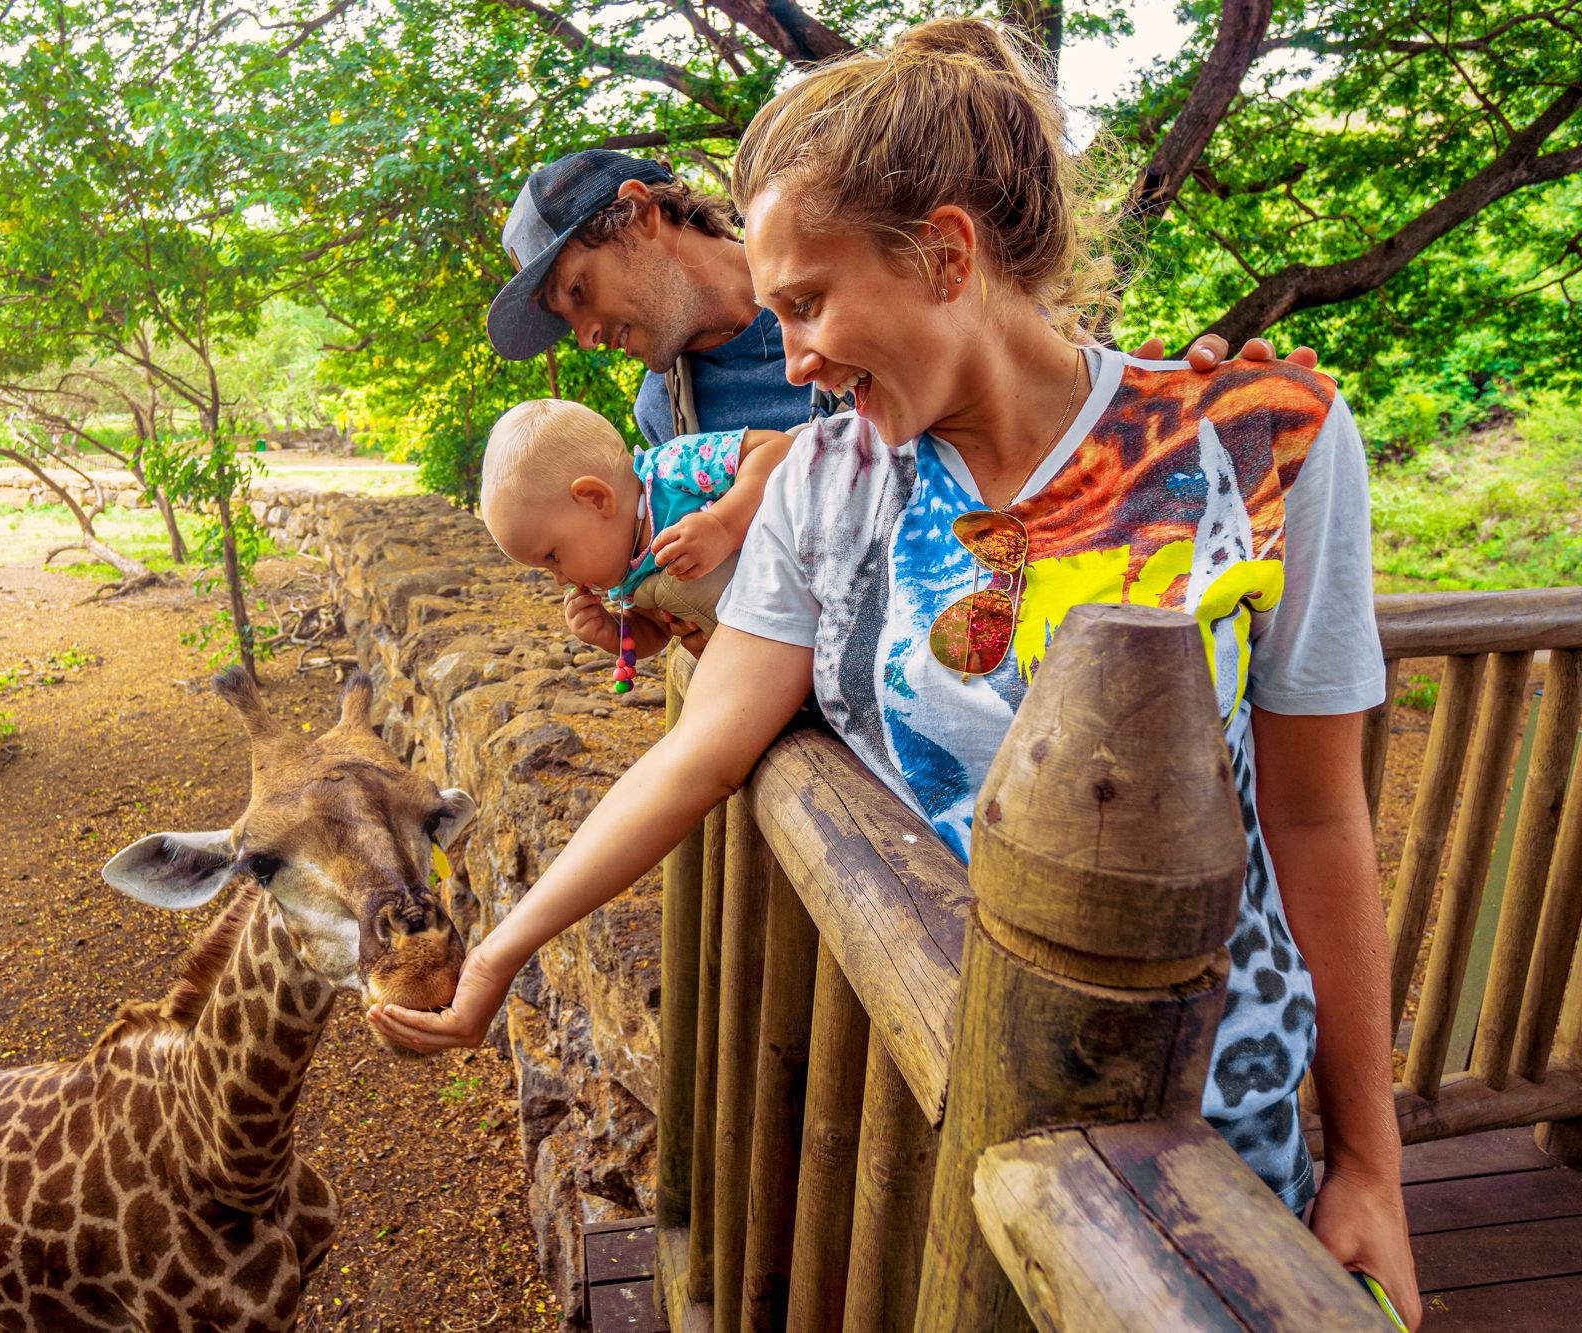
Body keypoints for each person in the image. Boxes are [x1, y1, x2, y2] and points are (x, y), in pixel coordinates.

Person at [395, 17, 1419, 1323]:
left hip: (1208, 1123)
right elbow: (702, 748)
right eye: (777, 315)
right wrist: (503, 951)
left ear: (945, 253)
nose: (800, 359)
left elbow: (1320, 813)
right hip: (935, 1094)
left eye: (810, 304)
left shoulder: (1263, 446)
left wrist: (1373, 1164)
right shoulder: (829, 483)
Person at [484, 151, 1316, 444]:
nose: (587, 334)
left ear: (640, 212)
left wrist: (1190, 409)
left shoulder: (876, 275)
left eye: (580, 292)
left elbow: (1044, 397)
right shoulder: (668, 419)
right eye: (568, 322)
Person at [480, 399, 793, 660]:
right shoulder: (626, 573)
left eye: (552, 556)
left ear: (596, 500)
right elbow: (655, 633)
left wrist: (724, 524)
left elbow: (779, 449)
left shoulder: (673, 468)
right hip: (772, 648)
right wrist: (614, 631)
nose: (561, 579)